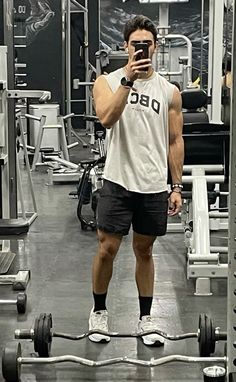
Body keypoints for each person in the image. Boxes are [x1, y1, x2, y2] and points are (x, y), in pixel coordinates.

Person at [89, 15, 184, 347]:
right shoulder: (107, 81)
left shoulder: (170, 91)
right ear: (125, 47)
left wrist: (176, 185)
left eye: (147, 44)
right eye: (135, 44)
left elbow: (175, 140)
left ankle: (146, 318)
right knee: (107, 249)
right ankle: (99, 312)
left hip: (154, 184)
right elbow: (106, 118)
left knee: (144, 251)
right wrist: (128, 80)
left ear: (155, 47)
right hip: (117, 181)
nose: (141, 49)